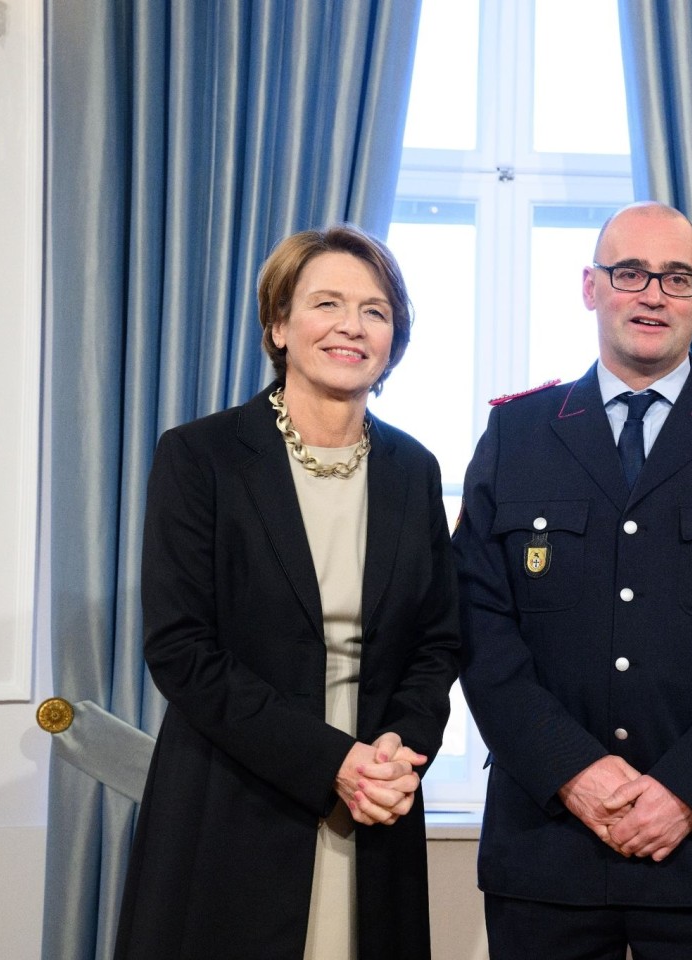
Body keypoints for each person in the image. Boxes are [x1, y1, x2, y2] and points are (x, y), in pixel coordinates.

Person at [453, 201, 692, 959]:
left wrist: (686, 792)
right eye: (630, 273)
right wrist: (574, 773)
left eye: (675, 277)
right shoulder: (517, 434)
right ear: (591, 287)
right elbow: (477, 626)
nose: (652, 294)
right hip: (547, 843)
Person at [115, 224, 462, 959]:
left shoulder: (414, 469)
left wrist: (398, 752)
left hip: (376, 803)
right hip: (232, 799)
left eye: (374, 310)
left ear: (394, 338)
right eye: (326, 303)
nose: (351, 325)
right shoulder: (201, 456)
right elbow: (180, 649)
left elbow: (439, 640)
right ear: (279, 324)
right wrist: (331, 761)